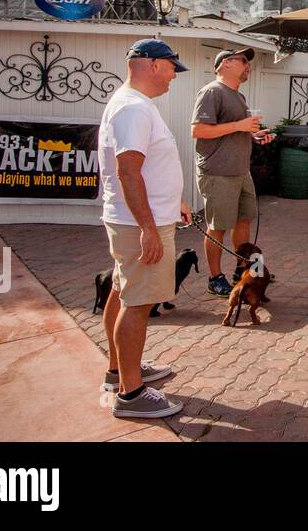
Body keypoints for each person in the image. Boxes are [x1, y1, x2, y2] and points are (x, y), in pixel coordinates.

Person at [99, 39, 192, 419]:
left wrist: (176, 201)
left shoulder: (133, 105)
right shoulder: (134, 108)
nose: (174, 76)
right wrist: (149, 228)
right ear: (153, 65)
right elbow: (128, 171)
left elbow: (147, 166)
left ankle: (120, 371)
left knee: (123, 292)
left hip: (138, 218)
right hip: (139, 223)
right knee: (138, 303)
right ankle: (131, 394)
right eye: (172, 67)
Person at [191, 47, 275, 296]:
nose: (248, 65)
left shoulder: (239, 97)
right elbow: (198, 130)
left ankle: (243, 271)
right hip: (218, 172)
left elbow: (234, 132)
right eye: (242, 61)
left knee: (243, 221)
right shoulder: (212, 92)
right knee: (218, 226)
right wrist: (240, 125)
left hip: (240, 171)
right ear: (225, 64)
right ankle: (215, 278)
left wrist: (255, 136)